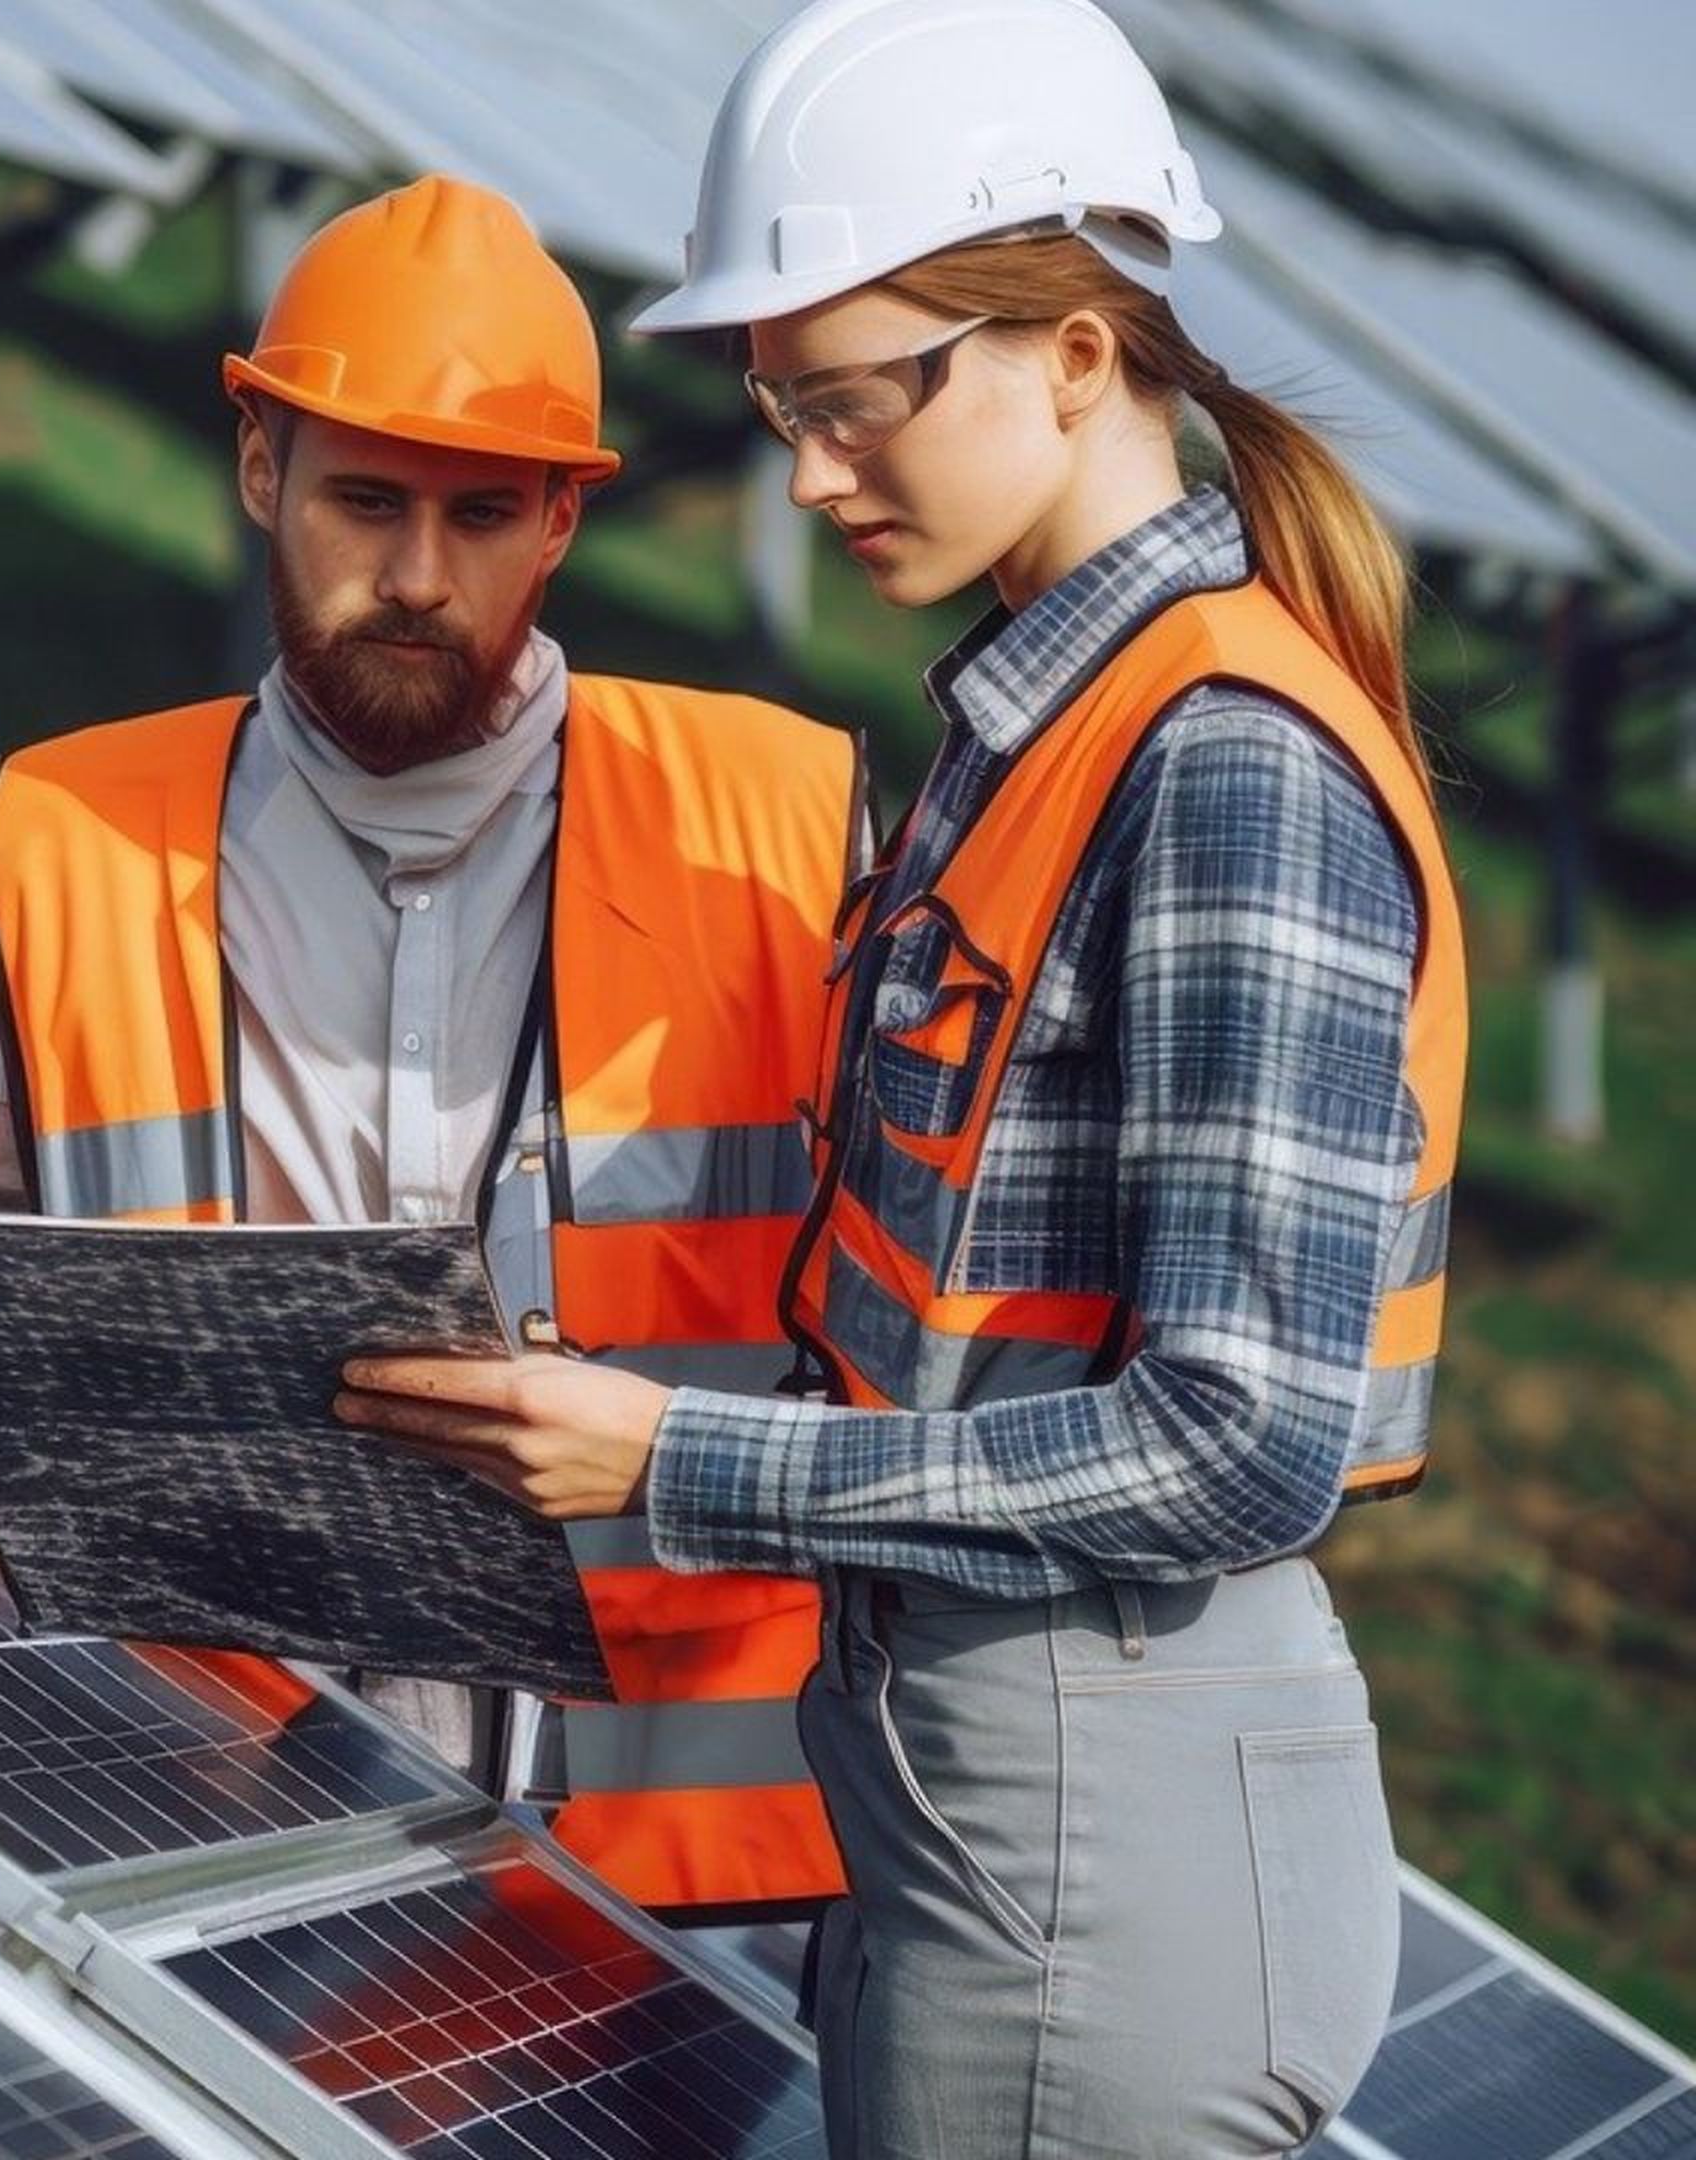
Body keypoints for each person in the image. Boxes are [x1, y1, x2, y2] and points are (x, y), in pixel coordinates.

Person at [335, 2, 1463, 2149]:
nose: (814, 473)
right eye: (780, 410)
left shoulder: (1228, 767)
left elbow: (1240, 1447)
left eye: (858, 401)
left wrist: (676, 1462)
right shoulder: (1046, 727)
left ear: (1072, 348)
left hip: (1093, 1811)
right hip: (990, 1780)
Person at [0, 176, 862, 1928]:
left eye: (482, 514)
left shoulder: (782, 821)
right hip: (206, 1819)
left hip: (687, 1871)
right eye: (366, 503)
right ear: (258, 474)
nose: (418, 577)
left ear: (559, 530)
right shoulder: (72, 826)